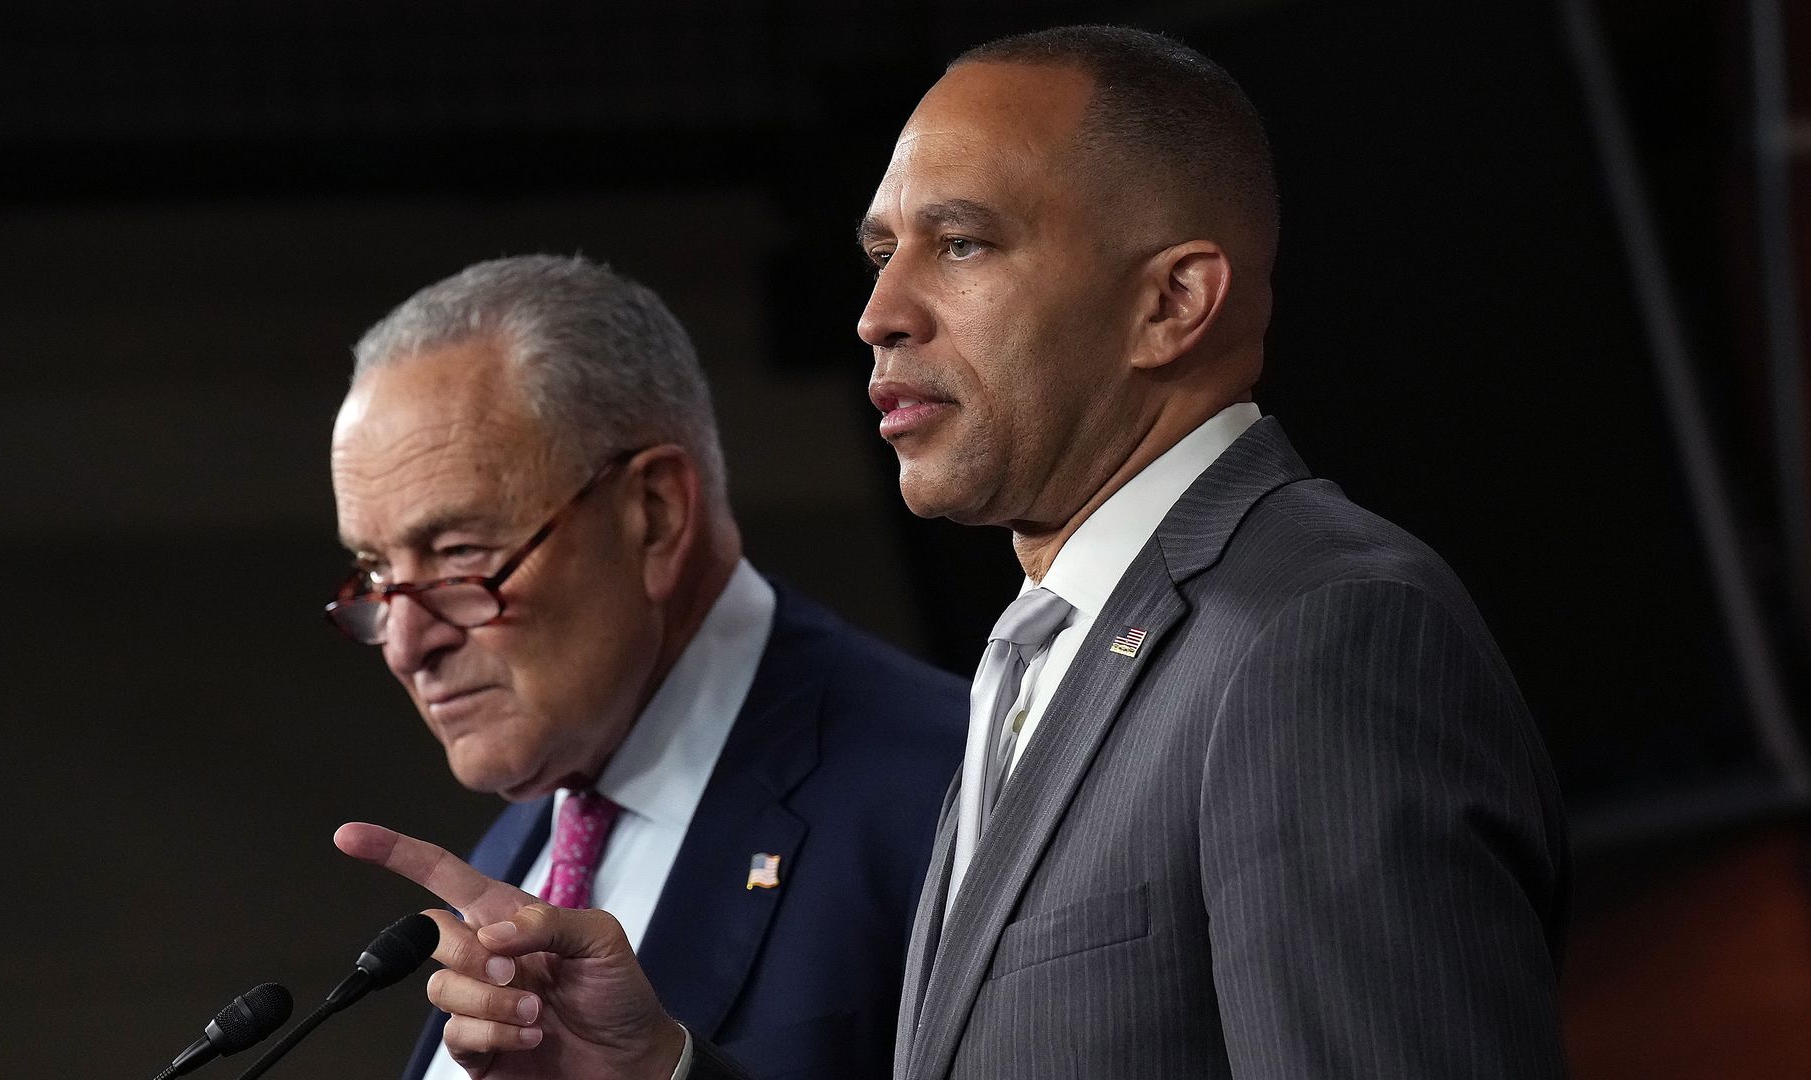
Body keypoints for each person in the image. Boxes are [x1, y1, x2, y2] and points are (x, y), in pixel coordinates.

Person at [355, 25, 1570, 1080]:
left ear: (1171, 302)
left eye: (964, 243)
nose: (880, 314)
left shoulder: (1320, 632)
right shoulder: (1044, 648)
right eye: (883, 253)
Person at [324, 254, 967, 1080]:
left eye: (459, 554)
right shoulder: (521, 846)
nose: (407, 645)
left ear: (654, 516)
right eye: (377, 573)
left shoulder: (952, 795)